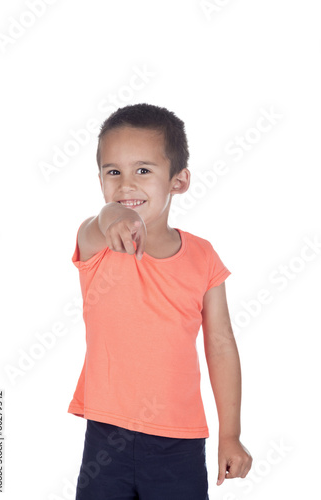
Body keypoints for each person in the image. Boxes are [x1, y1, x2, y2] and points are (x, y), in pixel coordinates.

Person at [68, 103, 252, 499]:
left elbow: (220, 345)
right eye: (113, 172)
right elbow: (100, 219)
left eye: (143, 170)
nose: (126, 185)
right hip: (106, 436)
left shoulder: (203, 256)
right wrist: (111, 215)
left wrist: (231, 434)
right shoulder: (98, 242)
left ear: (178, 181)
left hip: (179, 443)